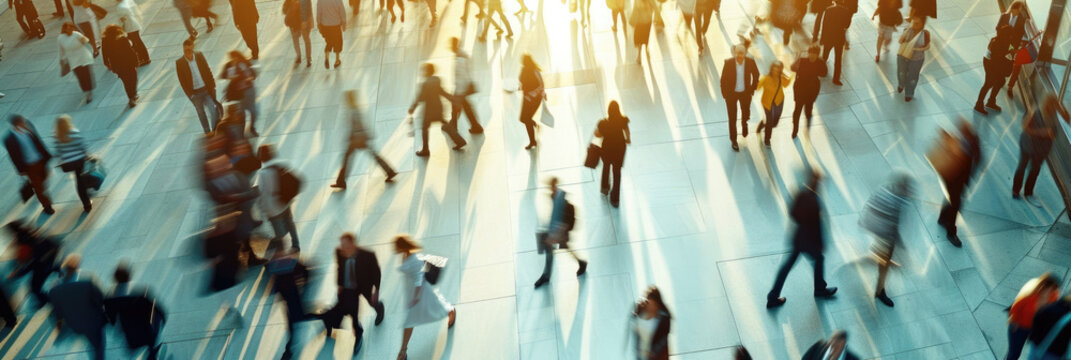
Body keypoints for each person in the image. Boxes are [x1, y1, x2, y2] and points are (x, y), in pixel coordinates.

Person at [766, 169, 838, 308]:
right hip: (809, 240)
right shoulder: (814, 201)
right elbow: (817, 227)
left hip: (798, 237)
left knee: (787, 266)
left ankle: (773, 296)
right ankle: (820, 289)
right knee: (819, 259)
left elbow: (792, 213)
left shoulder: (800, 194)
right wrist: (821, 243)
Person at [393, 235, 456, 360]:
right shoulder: (406, 255)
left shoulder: (413, 259)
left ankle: (450, 310)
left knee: (415, 318)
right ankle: (403, 351)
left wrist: (415, 298)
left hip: (419, 294)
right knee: (428, 309)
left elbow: (418, 279)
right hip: (413, 293)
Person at [320, 233, 384, 356]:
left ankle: (379, 307)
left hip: (365, 285)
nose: (342, 247)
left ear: (353, 243)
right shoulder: (339, 252)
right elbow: (339, 268)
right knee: (352, 313)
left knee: (372, 302)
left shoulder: (368, 255)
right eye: (342, 244)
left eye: (345, 245)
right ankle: (358, 335)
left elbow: (376, 273)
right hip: (350, 289)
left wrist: (376, 291)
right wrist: (340, 286)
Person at [860, 173, 912, 307]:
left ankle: (878, 250)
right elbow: (893, 229)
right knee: (885, 260)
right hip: (883, 230)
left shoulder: (884, 188)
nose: (909, 191)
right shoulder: (897, 202)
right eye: (908, 189)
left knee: (884, 246)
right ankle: (880, 290)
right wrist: (901, 247)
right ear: (903, 188)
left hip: (871, 223)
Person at [332, 90, 397, 188]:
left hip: (356, 139)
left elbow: (358, 125)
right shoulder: (356, 109)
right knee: (373, 155)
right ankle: (389, 171)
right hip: (360, 138)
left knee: (348, 159)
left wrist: (353, 137)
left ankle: (341, 182)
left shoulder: (353, 111)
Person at [48, 255, 108, 360]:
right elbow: (100, 298)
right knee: (98, 345)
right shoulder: (87, 282)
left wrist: (60, 329)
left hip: (74, 324)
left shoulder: (54, 290)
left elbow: (57, 313)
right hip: (93, 322)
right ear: (77, 267)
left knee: (92, 341)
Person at [1013, 95, 1070, 202]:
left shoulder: (1055, 113)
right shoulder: (1036, 111)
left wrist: (1061, 107)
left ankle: (1028, 193)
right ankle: (1015, 191)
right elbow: (1025, 127)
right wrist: (1042, 133)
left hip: (1042, 149)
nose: (1054, 108)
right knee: (1022, 166)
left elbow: (1067, 119)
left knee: (1035, 169)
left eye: (1055, 105)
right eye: (1052, 105)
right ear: (1047, 105)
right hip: (1028, 144)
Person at [533, 177, 588, 288]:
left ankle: (581, 263)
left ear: (555, 186)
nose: (550, 189)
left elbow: (563, 220)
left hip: (561, 232)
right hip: (555, 231)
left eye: (551, 186)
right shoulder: (553, 196)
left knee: (562, 249)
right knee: (552, 252)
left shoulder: (562, 200)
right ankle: (547, 275)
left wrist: (555, 236)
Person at [104, 264, 166, 360]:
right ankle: (152, 351)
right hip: (145, 329)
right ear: (129, 275)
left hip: (129, 332)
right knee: (155, 319)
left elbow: (110, 316)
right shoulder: (141, 292)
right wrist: (162, 316)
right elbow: (156, 308)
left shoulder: (110, 297)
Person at [935, 119, 980, 247]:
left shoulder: (971, 141)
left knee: (952, 199)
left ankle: (943, 218)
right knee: (956, 204)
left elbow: (977, 157)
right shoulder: (957, 140)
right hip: (952, 177)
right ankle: (951, 232)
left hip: (958, 178)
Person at [409, 63, 467, 157]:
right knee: (446, 124)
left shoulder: (425, 83)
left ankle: (425, 150)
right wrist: (453, 100)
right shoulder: (437, 80)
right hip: (438, 108)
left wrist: (413, 108)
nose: (422, 72)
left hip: (429, 111)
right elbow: (442, 92)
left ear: (427, 72)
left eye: (424, 70)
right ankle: (460, 141)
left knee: (424, 129)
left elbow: (421, 98)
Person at [5, 115, 55, 214]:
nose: (25, 123)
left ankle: (34, 185)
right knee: (39, 187)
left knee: (43, 180)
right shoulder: (10, 139)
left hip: (40, 161)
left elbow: (38, 142)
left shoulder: (28, 129)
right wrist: (20, 170)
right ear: (17, 124)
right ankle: (47, 206)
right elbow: (13, 156)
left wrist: (46, 156)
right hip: (29, 166)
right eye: (23, 122)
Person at [267, 249, 311, 359]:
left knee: (294, 321)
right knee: (298, 317)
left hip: (292, 297)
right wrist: (302, 282)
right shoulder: (287, 263)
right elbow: (305, 271)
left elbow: (305, 271)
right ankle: (328, 318)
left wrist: (302, 283)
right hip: (291, 297)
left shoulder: (284, 264)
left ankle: (289, 351)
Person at [5, 220, 60, 308]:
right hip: (49, 256)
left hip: (41, 264)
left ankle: (47, 300)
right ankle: (56, 268)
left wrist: (17, 274)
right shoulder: (30, 232)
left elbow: (31, 263)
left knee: (34, 287)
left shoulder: (23, 242)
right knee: (47, 269)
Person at [256, 144, 301, 251]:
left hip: (273, 208)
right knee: (290, 223)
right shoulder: (280, 166)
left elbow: (262, 193)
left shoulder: (262, 173)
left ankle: (279, 250)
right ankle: (296, 244)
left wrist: (262, 210)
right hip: (285, 202)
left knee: (279, 232)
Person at [1006, 274, 1061, 360]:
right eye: (1050, 290)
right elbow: (1014, 308)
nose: (1051, 293)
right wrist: (1015, 321)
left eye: (1053, 290)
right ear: (1043, 287)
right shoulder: (1028, 295)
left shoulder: (1054, 295)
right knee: (1014, 353)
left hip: (1036, 328)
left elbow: (1053, 308)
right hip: (1020, 328)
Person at [177, 38, 221, 134]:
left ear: (193, 48)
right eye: (185, 50)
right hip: (195, 94)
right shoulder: (179, 63)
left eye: (189, 50)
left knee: (213, 109)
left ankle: (214, 130)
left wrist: (212, 86)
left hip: (206, 90)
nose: (187, 52)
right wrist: (190, 95)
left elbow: (207, 70)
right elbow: (182, 82)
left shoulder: (199, 56)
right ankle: (207, 132)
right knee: (201, 113)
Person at [720, 45, 759, 152]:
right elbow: (723, 79)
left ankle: (744, 123)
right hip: (731, 95)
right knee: (732, 118)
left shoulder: (750, 62)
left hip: (745, 93)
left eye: (741, 53)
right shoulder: (728, 63)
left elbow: (756, 75)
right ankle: (734, 140)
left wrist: (752, 88)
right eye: (737, 53)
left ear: (745, 54)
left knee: (746, 111)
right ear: (734, 53)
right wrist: (725, 94)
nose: (739, 56)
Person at [53, 115, 94, 212]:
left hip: (68, 164)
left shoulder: (57, 136)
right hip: (79, 161)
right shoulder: (74, 132)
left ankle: (86, 201)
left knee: (78, 179)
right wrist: (87, 155)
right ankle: (87, 203)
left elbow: (58, 152)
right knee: (81, 179)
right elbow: (83, 146)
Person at [595, 102, 631, 207]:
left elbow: (598, 134)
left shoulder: (604, 123)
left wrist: (598, 132)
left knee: (606, 167)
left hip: (607, 149)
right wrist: (628, 139)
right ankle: (615, 199)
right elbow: (627, 131)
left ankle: (605, 188)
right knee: (617, 172)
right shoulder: (622, 120)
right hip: (619, 149)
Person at [975, 26, 1017, 115]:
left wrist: (1012, 50)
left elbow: (1010, 46)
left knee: (1000, 81)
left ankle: (991, 102)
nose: (1011, 37)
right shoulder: (996, 43)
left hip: (995, 62)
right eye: (1010, 35)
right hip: (990, 63)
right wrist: (1010, 56)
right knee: (988, 83)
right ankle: (979, 104)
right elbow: (998, 58)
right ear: (1006, 35)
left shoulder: (1004, 40)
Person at [790, 46, 826, 138]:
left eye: (814, 55)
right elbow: (792, 68)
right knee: (797, 110)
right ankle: (795, 129)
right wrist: (798, 56)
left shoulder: (820, 62)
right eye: (810, 54)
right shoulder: (802, 60)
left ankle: (808, 117)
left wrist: (822, 63)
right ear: (808, 53)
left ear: (817, 55)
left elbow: (824, 74)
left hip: (812, 89)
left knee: (808, 108)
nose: (812, 57)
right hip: (800, 89)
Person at [220, 51, 259, 136]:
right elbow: (223, 75)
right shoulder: (229, 65)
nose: (234, 59)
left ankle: (252, 128)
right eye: (232, 58)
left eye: (235, 57)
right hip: (238, 94)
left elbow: (252, 75)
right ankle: (243, 132)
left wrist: (248, 78)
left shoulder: (243, 63)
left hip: (249, 91)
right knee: (241, 114)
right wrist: (231, 77)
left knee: (253, 111)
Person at [450, 38, 483, 134]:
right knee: (466, 107)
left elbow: (462, 76)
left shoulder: (460, 59)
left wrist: (459, 93)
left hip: (461, 88)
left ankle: (454, 126)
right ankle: (475, 126)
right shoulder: (461, 54)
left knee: (459, 107)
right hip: (464, 87)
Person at [101, 25, 139, 108]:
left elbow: (104, 53)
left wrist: (107, 64)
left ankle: (131, 97)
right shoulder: (122, 39)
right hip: (129, 63)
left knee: (126, 81)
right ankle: (133, 94)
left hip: (117, 65)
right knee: (133, 78)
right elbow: (130, 51)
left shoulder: (105, 41)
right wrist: (136, 61)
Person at [58, 22, 95, 103]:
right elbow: (61, 50)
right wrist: (61, 60)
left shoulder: (76, 34)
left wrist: (84, 40)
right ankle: (86, 90)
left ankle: (89, 92)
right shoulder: (61, 38)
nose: (71, 29)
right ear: (64, 29)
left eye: (72, 27)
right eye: (69, 28)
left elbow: (85, 40)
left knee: (86, 74)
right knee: (80, 76)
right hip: (73, 59)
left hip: (83, 57)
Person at [756, 61, 791, 146]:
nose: (775, 72)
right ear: (771, 70)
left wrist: (788, 75)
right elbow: (757, 87)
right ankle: (767, 139)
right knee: (770, 121)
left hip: (779, 101)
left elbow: (786, 84)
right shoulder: (766, 78)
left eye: (777, 70)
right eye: (774, 70)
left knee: (774, 123)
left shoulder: (781, 77)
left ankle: (762, 124)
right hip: (767, 103)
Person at [815, 0, 850, 86]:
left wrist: (822, 39)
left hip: (829, 38)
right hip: (839, 38)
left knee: (824, 56)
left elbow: (824, 25)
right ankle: (836, 79)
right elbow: (847, 25)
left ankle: (821, 72)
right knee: (838, 60)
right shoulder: (846, 11)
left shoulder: (828, 10)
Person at [631, 286, 671, 360]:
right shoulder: (641, 313)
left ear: (658, 304)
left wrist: (653, 352)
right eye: (649, 303)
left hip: (656, 356)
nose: (651, 307)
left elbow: (663, 340)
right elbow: (634, 327)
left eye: (653, 304)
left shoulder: (664, 319)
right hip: (641, 355)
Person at [896, 17, 930, 102]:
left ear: (922, 24)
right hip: (903, 55)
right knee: (901, 72)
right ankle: (901, 84)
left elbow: (928, 46)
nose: (914, 25)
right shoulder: (907, 30)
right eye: (913, 23)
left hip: (916, 59)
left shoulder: (925, 33)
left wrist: (917, 49)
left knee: (913, 77)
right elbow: (900, 41)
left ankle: (909, 93)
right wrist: (907, 30)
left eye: (917, 23)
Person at [1028, 294, 1071, 360]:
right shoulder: (1061, 308)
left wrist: (1034, 338)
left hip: (1039, 346)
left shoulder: (1058, 305)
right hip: (1055, 353)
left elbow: (1038, 317)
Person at [519, 54, 544, 150]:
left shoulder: (535, 71)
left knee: (526, 119)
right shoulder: (524, 70)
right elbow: (523, 82)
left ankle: (532, 141)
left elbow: (541, 85)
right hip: (526, 99)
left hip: (534, 100)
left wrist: (531, 94)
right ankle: (534, 125)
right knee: (523, 119)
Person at [115, 0, 149, 65]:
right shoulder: (127, 2)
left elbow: (122, 19)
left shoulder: (120, 7)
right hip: (134, 24)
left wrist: (121, 29)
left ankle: (143, 58)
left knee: (136, 43)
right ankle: (144, 58)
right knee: (137, 42)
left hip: (130, 26)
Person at [282, 0, 313, 67]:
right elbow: (309, 9)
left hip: (294, 23)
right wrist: (309, 21)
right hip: (302, 22)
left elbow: (284, 10)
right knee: (306, 40)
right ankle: (308, 59)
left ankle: (298, 56)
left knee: (296, 40)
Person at [317, 0, 344, 69]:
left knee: (329, 41)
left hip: (325, 25)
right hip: (336, 24)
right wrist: (344, 22)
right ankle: (337, 60)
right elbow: (342, 10)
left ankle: (327, 57)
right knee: (337, 42)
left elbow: (318, 13)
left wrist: (319, 23)